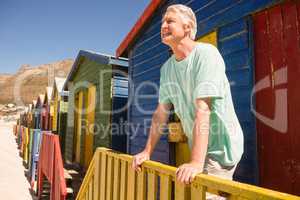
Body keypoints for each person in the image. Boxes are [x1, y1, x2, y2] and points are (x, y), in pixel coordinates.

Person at [132, 4, 244, 187]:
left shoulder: (206, 54)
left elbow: (203, 109)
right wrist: (147, 151)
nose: (163, 26)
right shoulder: (166, 69)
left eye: (170, 21)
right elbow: (161, 113)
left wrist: (196, 162)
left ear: (187, 27)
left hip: (221, 149)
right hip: (201, 148)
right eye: (162, 22)